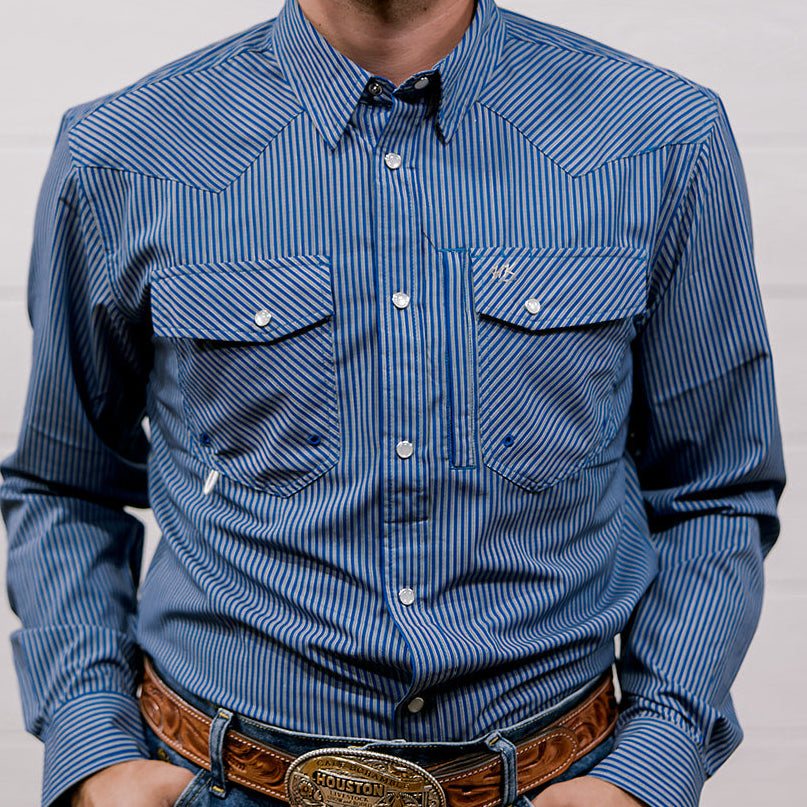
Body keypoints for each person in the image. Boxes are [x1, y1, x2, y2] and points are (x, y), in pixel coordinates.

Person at [1, 0, 785, 805]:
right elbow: (64, 484)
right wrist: (93, 747)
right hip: (215, 781)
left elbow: (714, 489)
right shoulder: (122, 153)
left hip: (560, 783)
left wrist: (650, 758)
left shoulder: (660, 136)